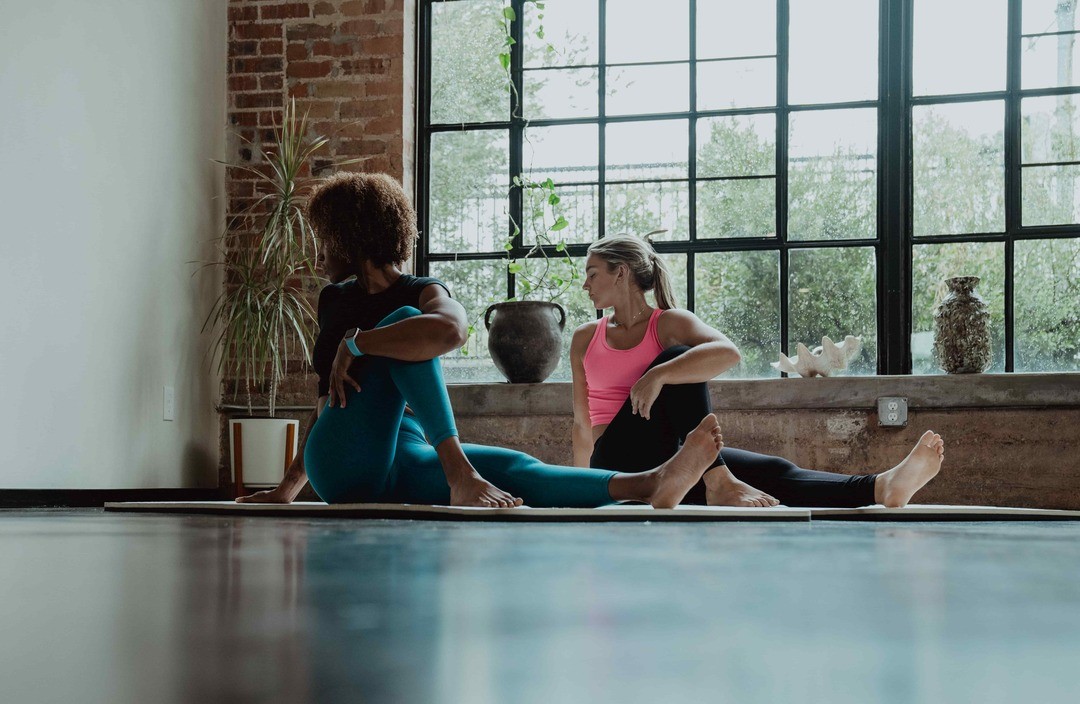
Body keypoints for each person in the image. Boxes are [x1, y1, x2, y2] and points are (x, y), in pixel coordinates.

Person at [237, 173, 723, 509]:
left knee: (516, 468)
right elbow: (326, 403)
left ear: (350, 238)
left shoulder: (423, 291)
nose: (319, 250)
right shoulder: (334, 299)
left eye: (325, 237)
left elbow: (451, 331)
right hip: (344, 460)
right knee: (408, 325)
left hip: (404, 458)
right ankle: (459, 474)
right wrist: (286, 488)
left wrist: (361, 342)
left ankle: (653, 482)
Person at [569, 232, 945, 508]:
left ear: (621, 273)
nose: (585, 285)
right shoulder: (586, 338)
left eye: (593, 274)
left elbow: (727, 353)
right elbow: (582, 424)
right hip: (616, 462)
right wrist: (582, 491)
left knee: (771, 471)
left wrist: (657, 375)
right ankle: (717, 478)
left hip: (672, 459)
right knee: (679, 356)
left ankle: (881, 487)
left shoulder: (668, 324)